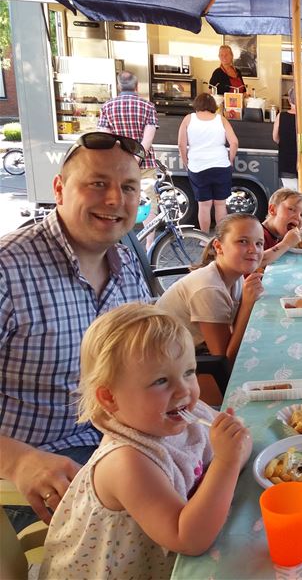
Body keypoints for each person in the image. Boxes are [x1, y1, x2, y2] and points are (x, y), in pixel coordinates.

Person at [0, 133, 151, 528]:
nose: (115, 200)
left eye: (128, 187)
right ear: (59, 189)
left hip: (119, 451)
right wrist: (18, 461)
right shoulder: (6, 270)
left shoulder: (127, 263)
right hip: (31, 485)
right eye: (97, 183)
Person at [38, 304, 252, 578]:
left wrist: (233, 445)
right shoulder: (127, 462)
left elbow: (239, 448)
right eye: (161, 381)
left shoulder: (187, 413)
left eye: (188, 372)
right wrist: (226, 462)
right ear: (110, 398)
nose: (183, 390)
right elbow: (188, 539)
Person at [157, 214, 264, 404]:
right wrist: (247, 304)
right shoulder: (209, 289)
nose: (253, 250)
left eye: (259, 243)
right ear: (218, 246)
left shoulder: (235, 275)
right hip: (170, 372)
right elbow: (225, 362)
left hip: (197, 355)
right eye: (242, 241)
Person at [97, 70, 159, 247]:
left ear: (118, 86)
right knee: (148, 202)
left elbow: (106, 138)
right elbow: (147, 139)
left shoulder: (107, 107)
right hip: (145, 164)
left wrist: (124, 159)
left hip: (118, 166)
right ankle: (149, 245)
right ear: (137, 86)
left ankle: (120, 243)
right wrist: (136, 158)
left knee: (118, 201)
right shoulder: (148, 106)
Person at [178, 93, 239, 233]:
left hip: (198, 166)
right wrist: (230, 159)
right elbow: (234, 142)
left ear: (196, 104)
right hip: (221, 166)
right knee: (220, 204)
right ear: (213, 105)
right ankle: (221, 237)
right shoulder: (221, 119)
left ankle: (204, 239)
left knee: (204, 206)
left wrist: (185, 161)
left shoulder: (188, 119)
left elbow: (181, 144)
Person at [260, 188, 302, 266]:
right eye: (291, 209)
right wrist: (286, 244)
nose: (298, 217)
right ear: (273, 210)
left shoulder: (279, 235)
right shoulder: (257, 234)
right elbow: (255, 261)